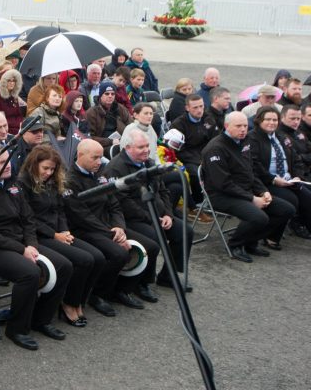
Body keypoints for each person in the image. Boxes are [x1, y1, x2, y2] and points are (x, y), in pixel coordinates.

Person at [0, 143, 72, 350]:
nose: (9, 165)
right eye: (2, 162)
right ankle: (17, 329)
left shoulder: (13, 185)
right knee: (29, 273)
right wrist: (22, 249)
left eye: (9, 160)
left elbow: (28, 219)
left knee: (64, 266)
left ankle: (41, 319)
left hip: (21, 242)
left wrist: (31, 243)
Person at [17, 145, 105, 327]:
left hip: (57, 231)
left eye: (52, 169)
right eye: (45, 168)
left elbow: (60, 210)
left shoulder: (51, 181)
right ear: (34, 164)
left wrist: (64, 230)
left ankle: (76, 300)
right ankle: (67, 304)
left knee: (96, 258)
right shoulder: (23, 184)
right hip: (39, 235)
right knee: (80, 260)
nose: (49, 172)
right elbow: (28, 217)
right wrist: (54, 234)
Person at [104, 127, 193, 295]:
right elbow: (122, 202)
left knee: (185, 231)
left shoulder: (150, 163)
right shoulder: (116, 168)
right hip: (133, 219)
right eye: (141, 147)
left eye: (147, 146)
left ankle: (168, 276)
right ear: (128, 148)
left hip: (157, 214)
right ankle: (142, 282)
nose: (146, 150)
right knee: (154, 238)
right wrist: (151, 218)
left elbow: (163, 191)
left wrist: (168, 214)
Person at [203, 111, 296, 262]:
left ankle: (250, 242)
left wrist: (263, 191)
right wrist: (251, 198)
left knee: (286, 210)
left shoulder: (244, 142)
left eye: (245, 126)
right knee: (258, 217)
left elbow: (251, 172)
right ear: (226, 126)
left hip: (245, 190)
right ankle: (235, 245)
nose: (243, 129)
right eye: (238, 126)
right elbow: (223, 184)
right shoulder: (216, 148)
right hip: (222, 196)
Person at [63, 139, 136, 315]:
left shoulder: (100, 174)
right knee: (119, 254)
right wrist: (111, 234)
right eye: (94, 158)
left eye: (101, 157)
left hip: (108, 225)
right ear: (80, 156)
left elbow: (114, 204)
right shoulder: (70, 180)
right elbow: (81, 216)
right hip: (84, 230)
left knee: (149, 246)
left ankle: (122, 289)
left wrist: (119, 227)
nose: (99, 162)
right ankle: (97, 294)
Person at [248, 106, 311, 243]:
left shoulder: (281, 137)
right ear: (259, 120)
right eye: (268, 119)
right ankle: (270, 236)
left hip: (289, 179)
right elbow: (254, 166)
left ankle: (299, 225)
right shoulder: (252, 139)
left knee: (307, 196)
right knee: (291, 200)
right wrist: (274, 179)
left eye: (275, 120)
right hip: (267, 182)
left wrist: (298, 176)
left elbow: (295, 160)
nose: (272, 123)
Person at [86, 80, 132, 151]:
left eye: (112, 94)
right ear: (101, 95)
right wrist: (110, 141)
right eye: (107, 94)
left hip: (122, 142)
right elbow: (89, 137)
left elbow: (131, 126)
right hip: (101, 146)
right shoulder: (91, 112)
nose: (110, 96)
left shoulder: (120, 108)